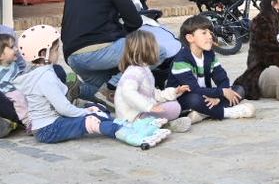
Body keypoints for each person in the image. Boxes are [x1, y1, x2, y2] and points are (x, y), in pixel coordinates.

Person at [62, 0, 179, 104]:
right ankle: (113, 86)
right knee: (157, 52)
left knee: (109, 94)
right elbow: (134, 21)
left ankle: (79, 89)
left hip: (73, 58)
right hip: (99, 52)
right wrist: (123, 33)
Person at [15, 29, 166, 147]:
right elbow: (64, 108)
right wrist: (85, 112)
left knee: (96, 108)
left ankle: (123, 124)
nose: (58, 52)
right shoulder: (45, 78)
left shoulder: (41, 72)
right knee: (91, 120)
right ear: (43, 53)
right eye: (55, 49)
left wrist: (88, 109)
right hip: (48, 129)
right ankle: (127, 134)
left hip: (53, 122)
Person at [168, 15, 254, 120]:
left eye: (210, 33)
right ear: (190, 38)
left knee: (239, 89)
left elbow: (222, 79)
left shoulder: (209, 55)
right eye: (204, 33)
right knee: (194, 99)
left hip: (207, 95)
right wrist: (221, 93)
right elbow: (194, 89)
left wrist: (218, 96)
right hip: (186, 98)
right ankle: (227, 112)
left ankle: (203, 114)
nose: (209, 36)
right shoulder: (181, 60)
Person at [113, 29, 192, 130]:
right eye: (155, 45)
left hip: (141, 112)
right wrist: (149, 107)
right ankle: (151, 124)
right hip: (132, 117)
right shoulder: (134, 71)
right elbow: (128, 93)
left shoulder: (144, 69)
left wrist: (174, 92)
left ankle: (159, 124)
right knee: (173, 107)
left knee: (174, 105)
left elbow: (153, 94)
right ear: (147, 50)